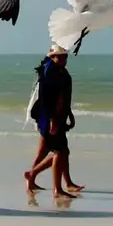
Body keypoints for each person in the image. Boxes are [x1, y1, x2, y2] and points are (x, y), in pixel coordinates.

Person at [25, 45, 80, 198]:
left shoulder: (56, 70)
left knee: (53, 151)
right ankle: (55, 187)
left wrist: (67, 114)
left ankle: (60, 183)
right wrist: (52, 120)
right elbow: (47, 100)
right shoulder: (50, 73)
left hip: (55, 118)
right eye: (60, 56)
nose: (63, 59)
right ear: (52, 57)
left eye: (65, 56)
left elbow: (62, 97)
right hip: (50, 119)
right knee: (60, 152)